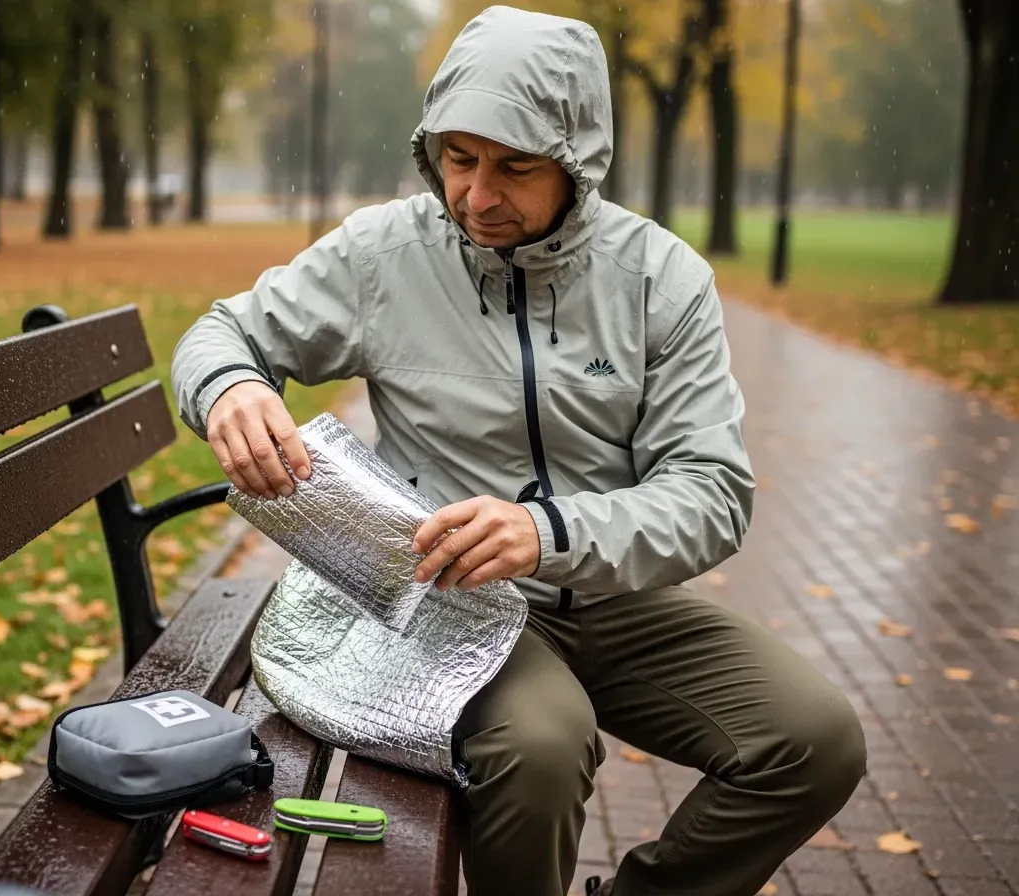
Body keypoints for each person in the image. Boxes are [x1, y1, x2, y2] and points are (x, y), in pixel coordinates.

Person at [170, 6, 867, 895]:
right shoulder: (384, 254)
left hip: (606, 591)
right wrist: (231, 385)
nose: (477, 196)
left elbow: (713, 492)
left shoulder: (662, 281)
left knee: (814, 739)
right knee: (543, 744)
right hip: (448, 602)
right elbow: (223, 332)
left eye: (514, 166)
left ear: (577, 162)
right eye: (458, 160)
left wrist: (549, 531)